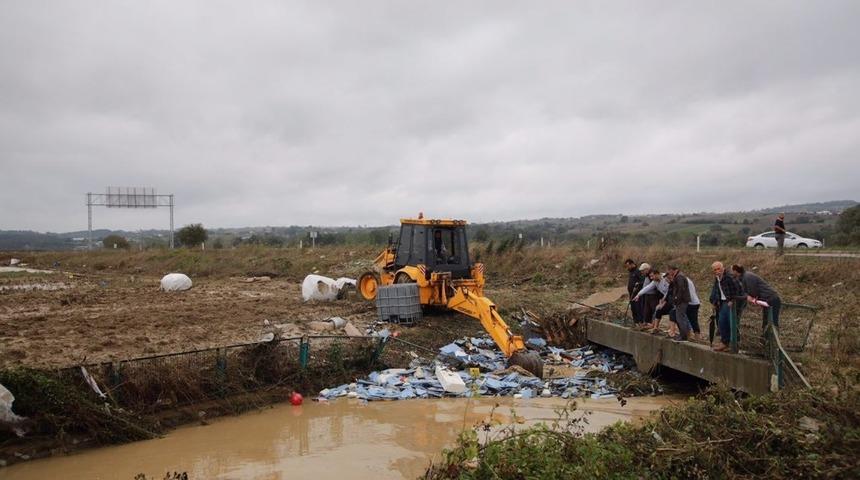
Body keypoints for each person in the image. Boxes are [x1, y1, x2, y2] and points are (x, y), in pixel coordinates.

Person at [731, 264, 783, 329]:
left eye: (732, 270)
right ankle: (766, 336)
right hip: (767, 299)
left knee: (773, 322)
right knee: (766, 320)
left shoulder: (747, 277)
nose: (731, 272)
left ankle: (772, 337)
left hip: (771, 298)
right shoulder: (744, 277)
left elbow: (753, 291)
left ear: (736, 271)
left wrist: (749, 297)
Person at [709, 261, 744, 351]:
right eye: (715, 270)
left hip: (732, 301)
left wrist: (732, 300)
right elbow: (716, 290)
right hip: (723, 302)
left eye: (718, 269)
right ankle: (725, 342)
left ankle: (733, 344)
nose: (717, 271)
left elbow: (739, 289)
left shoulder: (729, 276)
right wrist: (714, 302)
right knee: (721, 322)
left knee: (731, 323)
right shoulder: (717, 278)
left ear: (722, 268)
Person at [665, 266, 693, 341]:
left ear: (674, 270)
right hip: (682, 300)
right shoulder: (678, 276)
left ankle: (683, 336)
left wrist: (676, 298)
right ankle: (684, 335)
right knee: (681, 317)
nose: (669, 273)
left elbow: (681, 289)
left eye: (669, 271)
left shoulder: (679, 277)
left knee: (680, 318)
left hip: (681, 301)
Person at [624, 259, 645, 325]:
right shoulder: (631, 272)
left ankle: (640, 322)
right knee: (633, 308)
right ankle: (635, 321)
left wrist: (637, 284)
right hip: (631, 294)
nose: (627, 268)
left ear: (632, 264)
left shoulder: (638, 271)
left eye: (628, 266)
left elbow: (642, 281)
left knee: (638, 308)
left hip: (637, 294)